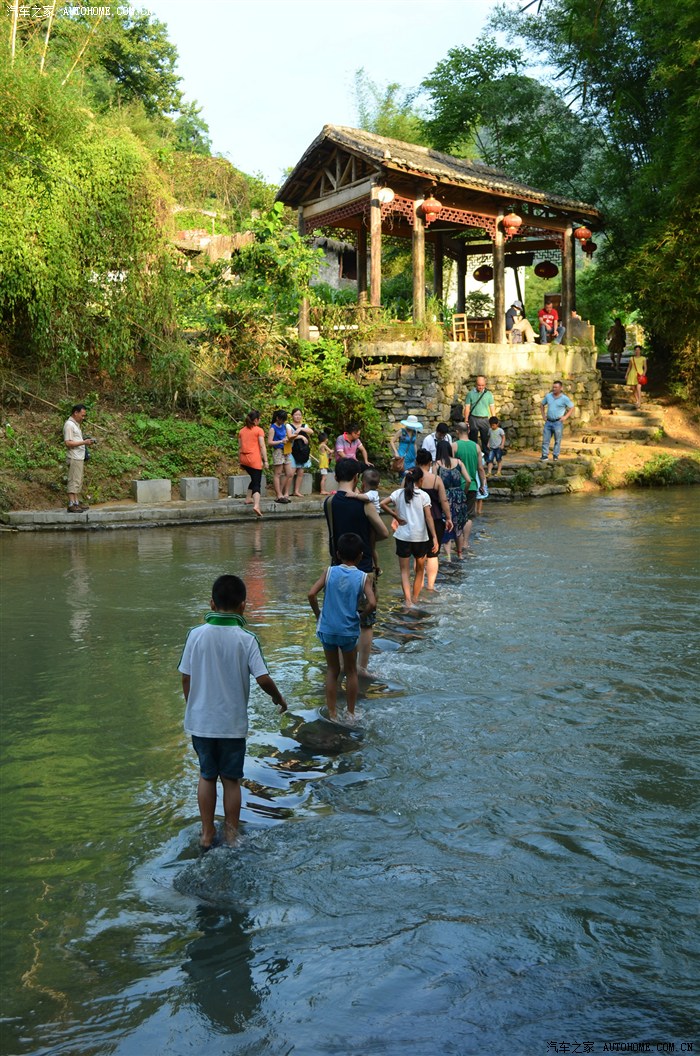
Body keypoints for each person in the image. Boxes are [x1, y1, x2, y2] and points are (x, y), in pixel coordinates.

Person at [179, 574, 287, 849]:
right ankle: (230, 834)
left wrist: (192, 705)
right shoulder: (246, 638)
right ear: (243, 606)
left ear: (211, 603)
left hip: (201, 721)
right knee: (230, 780)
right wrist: (278, 698)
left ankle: (206, 833)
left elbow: (185, 677)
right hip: (231, 724)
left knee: (206, 775)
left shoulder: (195, 634)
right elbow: (263, 679)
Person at [324, 458, 388, 676]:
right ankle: (361, 667)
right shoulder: (364, 504)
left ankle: (341, 666)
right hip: (363, 568)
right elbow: (384, 532)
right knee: (366, 622)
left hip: (337, 568)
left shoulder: (329, 503)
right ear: (357, 478)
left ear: (335, 477)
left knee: (341, 617)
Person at [308, 533, 376, 723]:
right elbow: (372, 603)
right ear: (361, 556)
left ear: (337, 553)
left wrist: (318, 614)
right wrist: (359, 617)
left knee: (332, 670)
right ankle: (351, 713)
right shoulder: (363, 577)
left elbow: (311, 594)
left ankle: (332, 713)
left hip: (327, 629)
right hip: (348, 630)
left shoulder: (329, 572)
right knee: (351, 671)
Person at [380, 467, 438, 609]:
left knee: (404, 571)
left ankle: (407, 601)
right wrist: (435, 537)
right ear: (420, 480)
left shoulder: (398, 493)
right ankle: (415, 598)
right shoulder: (424, 496)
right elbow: (429, 517)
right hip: (420, 537)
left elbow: (382, 504)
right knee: (419, 570)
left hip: (403, 536)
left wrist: (396, 517)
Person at [415, 448, 452, 590]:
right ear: (430, 463)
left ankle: (419, 584)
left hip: (415, 519)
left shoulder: (409, 477)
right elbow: (444, 501)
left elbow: (400, 496)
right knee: (432, 554)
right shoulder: (436, 479)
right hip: (435, 519)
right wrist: (448, 518)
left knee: (418, 554)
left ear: (416, 462)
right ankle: (430, 587)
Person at [433, 438, 470, 560]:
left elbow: (434, 483)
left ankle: (448, 557)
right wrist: (463, 492)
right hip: (459, 496)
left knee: (447, 526)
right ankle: (459, 554)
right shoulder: (459, 462)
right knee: (458, 526)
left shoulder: (437, 464)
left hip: (445, 497)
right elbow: (468, 480)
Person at [453, 422, 485, 553]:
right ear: (469, 430)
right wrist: (483, 485)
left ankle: (457, 543)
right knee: (469, 516)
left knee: (456, 514)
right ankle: (466, 543)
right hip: (472, 485)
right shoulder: (476, 447)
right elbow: (480, 468)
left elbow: (450, 466)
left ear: (457, 431)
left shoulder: (454, 446)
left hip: (456, 486)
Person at [63, 403, 96, 512]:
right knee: (73, 480)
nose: (83, 417)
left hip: (79, 456)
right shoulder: (69, 425)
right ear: (75, 413)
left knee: (78, 480)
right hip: (74, 457)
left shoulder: (76, 425)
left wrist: (85, 442)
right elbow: (68, 443)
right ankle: (71, 503)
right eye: (82, 415)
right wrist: (84, 442)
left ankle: (76, 502)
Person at [238, 409, 268, 517]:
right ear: (256, 420)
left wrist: (239, 461)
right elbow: (262, 446)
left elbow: (240, 447)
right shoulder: (259, 430)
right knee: (257, 483)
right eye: (259, 419)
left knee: (253, 478)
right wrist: (265, 460)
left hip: (244, 459)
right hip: (254, 460)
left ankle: (248, 498)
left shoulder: (241, 431)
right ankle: (256, 505)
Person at [540, 380, 575, 460]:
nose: (554, 389)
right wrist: (543, 416)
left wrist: (565, 417)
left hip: (558, 422)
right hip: (548, 421)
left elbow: (572, 407)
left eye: (556, 387)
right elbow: (542, 404)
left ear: (561, 388)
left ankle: (555, 455)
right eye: (553, 387)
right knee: (545, 439)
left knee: (557, 440)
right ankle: (544, 455)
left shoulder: (564, 398)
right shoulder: (548, 396)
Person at [464, 376, 496, 456]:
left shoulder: (488, 394)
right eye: (479, 385)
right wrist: (466, 420)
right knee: (473, 439)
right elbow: (467, 407)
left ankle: (488, 457)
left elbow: (492, 406)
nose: (481, 387)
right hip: (473, 418)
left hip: (485, 419)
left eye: (482, 385)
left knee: (485, 439)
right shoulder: (470, 394)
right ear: (476, 384)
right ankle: (473, 455)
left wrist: (494, 419)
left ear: (485, 385)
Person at [288, 407, 314, 498]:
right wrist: (300, 436)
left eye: (299, 415)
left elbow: (311, 431)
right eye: (296, 415)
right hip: (292, 451)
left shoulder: (304, 426)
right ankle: (286, 492)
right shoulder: (288, 426)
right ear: (292, 416)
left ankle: (296, 491)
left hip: (302, 451)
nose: (298, 416)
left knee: (300, 472)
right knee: (291, 473)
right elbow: (289, 437)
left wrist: (301, 429)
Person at [268, 409, 292, 503]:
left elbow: (286, 436)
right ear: (277, 418)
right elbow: (269, 442)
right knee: (277, 473)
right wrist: (281, 441)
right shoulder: (273, 428)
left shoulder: (284, 426)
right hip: (278, 450)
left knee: (289, 473)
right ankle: (278, 495)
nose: (282, 421)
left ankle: (282, 492)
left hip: (286, 450)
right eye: (281, 419)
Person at [625, 344, 647, 410]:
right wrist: (626, 374)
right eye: (636, 350)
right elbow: (629, 367)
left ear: (640, 351)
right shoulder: (632, 358)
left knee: (638, 388)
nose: (637, 351)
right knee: (633, 388)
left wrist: (644, 373)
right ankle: (637, 400)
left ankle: (639, 402)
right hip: (632, 374)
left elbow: (645, 367)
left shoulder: (643, 358)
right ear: (634, 351)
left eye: (638, 350)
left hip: (640, 374)